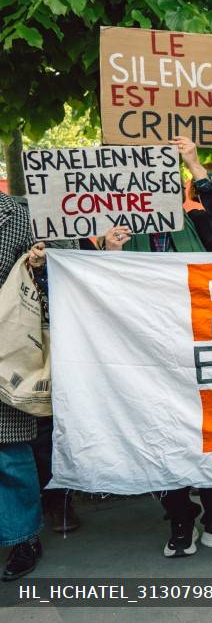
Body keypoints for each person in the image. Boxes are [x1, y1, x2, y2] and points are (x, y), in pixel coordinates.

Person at [102, 136, 212, 558]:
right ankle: (179, 517)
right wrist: (111, 254)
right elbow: (103, 293)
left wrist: (193, 163)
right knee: (161, 432)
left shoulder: (198, 225)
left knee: (208, 430)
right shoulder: (117, 232)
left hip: (197, 347)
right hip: (146, 351)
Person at [0, 193, 46, 580]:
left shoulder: (22, 213)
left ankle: (24, 538)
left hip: (8, 345)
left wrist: (40, 262)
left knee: (9, 454)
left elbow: (65, 256)